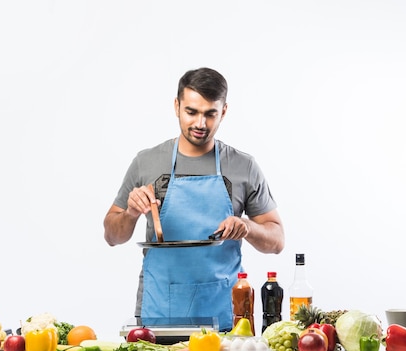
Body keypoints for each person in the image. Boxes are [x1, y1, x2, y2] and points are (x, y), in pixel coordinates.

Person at [103, 67, 284, 332]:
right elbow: (111, 236)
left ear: (223, 111)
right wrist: (130, 213)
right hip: (159, 314)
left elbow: (277, 242)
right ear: (176, 106)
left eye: (210, 113)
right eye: (192, 112)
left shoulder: (243, 166)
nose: (200, 123)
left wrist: (247, 226)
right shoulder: (146, 163)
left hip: (225, 317)